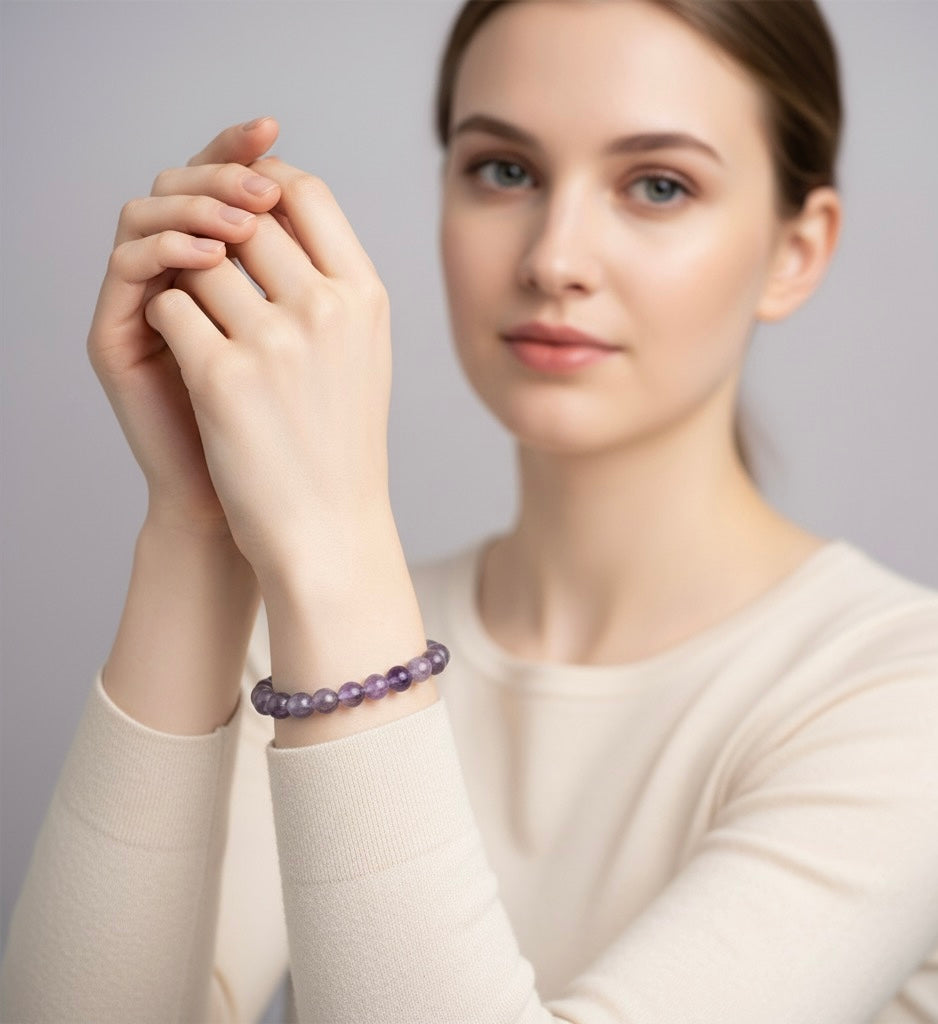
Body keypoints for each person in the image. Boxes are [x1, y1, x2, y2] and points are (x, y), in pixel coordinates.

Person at [2, 0, 937, 1020]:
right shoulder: (313, 628)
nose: (552, 257)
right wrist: (197, 521)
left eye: (657, 185)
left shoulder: (896, 692)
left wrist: (331, 528)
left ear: (796, 250)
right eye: (504, 170)